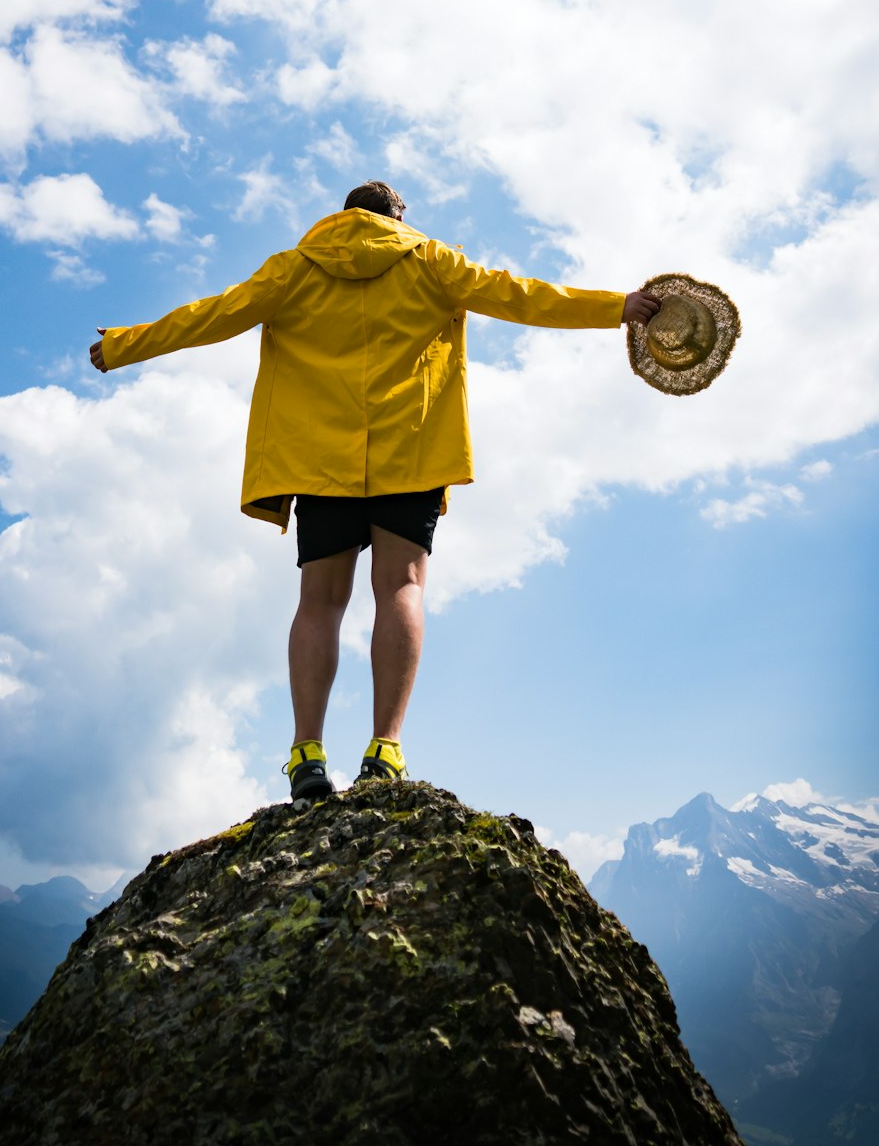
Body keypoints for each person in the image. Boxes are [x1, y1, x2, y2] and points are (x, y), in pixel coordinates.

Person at [90, 180, 660, 803]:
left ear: (342, 217)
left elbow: (213, 314)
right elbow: (519, 296)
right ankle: (384, 750)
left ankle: (306, 754)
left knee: (320, 601)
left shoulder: (294, 268)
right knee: (401, 587)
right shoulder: (431, 261)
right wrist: (618, 306)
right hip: (410, 449)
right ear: (397, 215)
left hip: (320, 460)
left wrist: (125, 344)